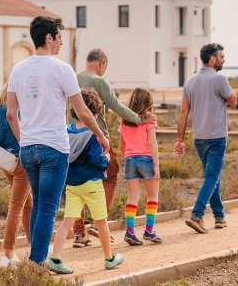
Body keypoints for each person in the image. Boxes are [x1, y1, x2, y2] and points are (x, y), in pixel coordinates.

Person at [6, 15, 109, 265]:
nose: (61, 42)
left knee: (39, 205)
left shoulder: (18, 69)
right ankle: (37, 264)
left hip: (28, 148)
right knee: (47, 208)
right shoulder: (62, 69)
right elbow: (82, 111)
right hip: (53, 148)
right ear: (49, 38)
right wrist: (100, 134)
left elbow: (10, 113)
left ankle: (36, 259)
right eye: (59, 37)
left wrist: (23, 140)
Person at [46, 89, 125, 274]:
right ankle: (109, 258)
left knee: (67, 222)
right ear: (94, 114)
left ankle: (55, 258)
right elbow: (97, 160)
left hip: (72, 185)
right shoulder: (93, 135)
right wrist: (106, 159)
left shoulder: (67, 131)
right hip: (92, 184)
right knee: (101, 222)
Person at [69, 48, 141, 247]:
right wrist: (138, 119)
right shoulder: (100, 82)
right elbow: (116, 106)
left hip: (72, 138)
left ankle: (79, 233)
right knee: (110, 175)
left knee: (74, 183)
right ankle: (98, 222)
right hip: (97, 137)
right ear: (101, 63)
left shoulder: (72, 79)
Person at [174, 42, 238, 234]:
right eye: (221, 57)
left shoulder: (190, 82)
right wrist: (230, 93)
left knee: (212, 177)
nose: (224, 60)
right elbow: (233, 102)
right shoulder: (220, 79)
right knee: (212, 177)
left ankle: (219, 217)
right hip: (217, 137)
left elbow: (183, 113)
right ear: (212, 59)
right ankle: (197, 215)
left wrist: (179, 139)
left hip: (199, 138)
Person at [0, 77, 31, 267]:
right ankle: (8, 254)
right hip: (20, 161)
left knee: (27, 204)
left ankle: (34, 245)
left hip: (5, 159)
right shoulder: (19, 109)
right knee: (16, 206)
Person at [119, 88, 162, 246]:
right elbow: (153, 143)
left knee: (133, 197)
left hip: (130, 159)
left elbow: (122, 144)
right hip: (146, 159)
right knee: (152, 197)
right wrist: (156, 165)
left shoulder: (124, 120)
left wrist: (125, 157)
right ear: (148, 103)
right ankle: (149, 231)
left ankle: (130, 232)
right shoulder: (149, 120)